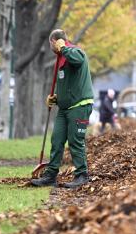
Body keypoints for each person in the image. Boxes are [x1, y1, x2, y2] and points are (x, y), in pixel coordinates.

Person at [31, 29, 94, 188]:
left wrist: (64, 48)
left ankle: (82, 175)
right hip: (65, 109)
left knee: (75, 141)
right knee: (57, 140)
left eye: (51, 44)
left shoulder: (75, 51)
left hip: (79, 106)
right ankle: (50, 176)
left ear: (54, 41)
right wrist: (56, 98)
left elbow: (78, 61)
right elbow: (67, 84)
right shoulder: (60, 59)